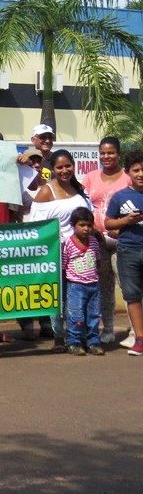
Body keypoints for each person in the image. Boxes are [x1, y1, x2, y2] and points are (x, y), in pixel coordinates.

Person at [28, 149, 91, 353]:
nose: (65, 170)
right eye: (60, 167)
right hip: (56, 251)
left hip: (81, 252)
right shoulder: (46, 191)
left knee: (78, 295)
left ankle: (78, 336)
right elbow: (36, 225)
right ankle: (58, 336)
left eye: (68, 166)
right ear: (53, 169)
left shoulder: (79, 188)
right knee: (58, 296)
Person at [81, 136, 129, 344]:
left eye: (111, 153)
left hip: (123, 239)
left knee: (128, 285)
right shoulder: (90, 177)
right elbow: (83, 207)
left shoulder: (128, 178)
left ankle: (137, 331)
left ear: (119, 154)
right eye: (103, 153)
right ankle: (107, 329)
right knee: (104, 286)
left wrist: (124, 228)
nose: (106, 156)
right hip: (97, 240)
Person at [104, 149, 143, 356]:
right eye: (136, 170)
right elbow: (108, 222)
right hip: (128, 249)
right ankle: (139, 338)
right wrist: (126, 221)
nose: (141, 174)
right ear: (128, 172)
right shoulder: (120, 197)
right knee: (133, 296)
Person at [62, 207, 104, 356]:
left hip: (93, 285)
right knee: (76, 315)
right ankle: (74, 342)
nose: (86, 229)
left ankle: (93, 342)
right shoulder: (68, 243)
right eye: (82, 225)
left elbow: (97, 261)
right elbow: (64, 264)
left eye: (89, 225)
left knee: (93, 315)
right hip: (76, 286)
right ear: (73, 225)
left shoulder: (93, 242)